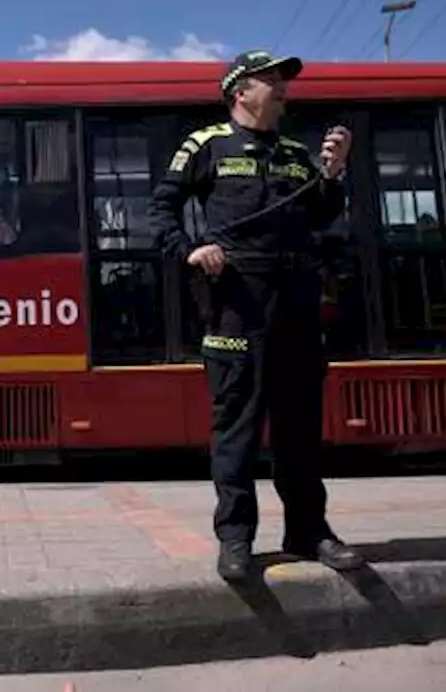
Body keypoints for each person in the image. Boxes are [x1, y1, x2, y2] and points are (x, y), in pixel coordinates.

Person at [147, 49, 363, 581]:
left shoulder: (295, 152)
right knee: (237, 425)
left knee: (300, 427)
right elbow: (160, 210)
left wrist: (332, 173)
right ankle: (237, 540)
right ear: (239, 91)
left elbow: (322, 212)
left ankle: (309, 532)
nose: (283, 87)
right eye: (271, 79)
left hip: (297, 297)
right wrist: (189, 250)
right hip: (238, 301)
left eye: (284, 80)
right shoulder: (205, 145)